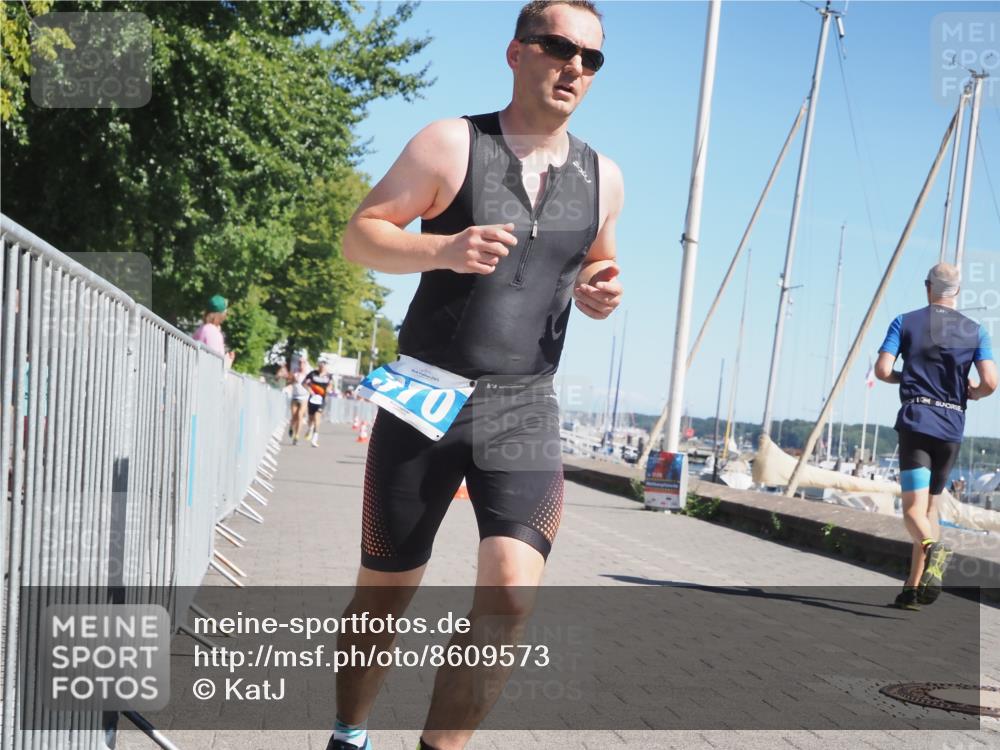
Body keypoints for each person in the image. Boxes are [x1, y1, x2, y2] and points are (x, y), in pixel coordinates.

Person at [332, 3, 623, 749]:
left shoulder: (604, 177)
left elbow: (598, 260)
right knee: (383, 598)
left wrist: (603, 289)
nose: (575, 68)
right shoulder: (450, 144)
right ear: (516, 51)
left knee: (509, 596)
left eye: (591, 58)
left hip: (525, 406)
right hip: (426, 396)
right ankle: (349, 732)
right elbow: (360, 236)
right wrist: (443, 249)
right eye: (560, 48)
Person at [875, 263, 996, 610]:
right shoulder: (976, 331)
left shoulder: (905, 321)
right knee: (930, 509)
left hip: (917, 422)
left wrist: (907, 377)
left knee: (912, 511)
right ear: (957, 291)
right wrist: (972, 393)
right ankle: (913, 588)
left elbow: (882, 370)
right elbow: (990, 382)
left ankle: (933, 549)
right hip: (951, 427)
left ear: (928, 286)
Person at [192, 294, 235, 369]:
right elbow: (214, 364)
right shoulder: (212, 332)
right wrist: (228, 363)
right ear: (221, 315)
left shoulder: (201, 329)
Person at [303, 356, 335, 448]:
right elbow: (304, 383)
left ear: (325, 365)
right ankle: (310, 428)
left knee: (317, 417)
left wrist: (328, 389)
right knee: (311, 418)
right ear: (318, 365)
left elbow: (330, 385)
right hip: (312, 399)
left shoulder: (329, 376)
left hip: (321, 400)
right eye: (320, 364)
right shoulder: (313, 374)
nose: (322, 366)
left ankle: (314, 438)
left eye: (324, 364)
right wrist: (310, 390)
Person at [288, 350, 312, 445]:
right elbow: (288, 382)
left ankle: (296, 436)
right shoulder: (295, 372)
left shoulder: (308, 374)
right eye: (299, 362)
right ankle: (291, 427)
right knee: (294, 416)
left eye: (303, 363)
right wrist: (293, 380)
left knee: (300, 416)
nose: (301, 364)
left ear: (305, 363)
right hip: (295, 397)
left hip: (304, 397)